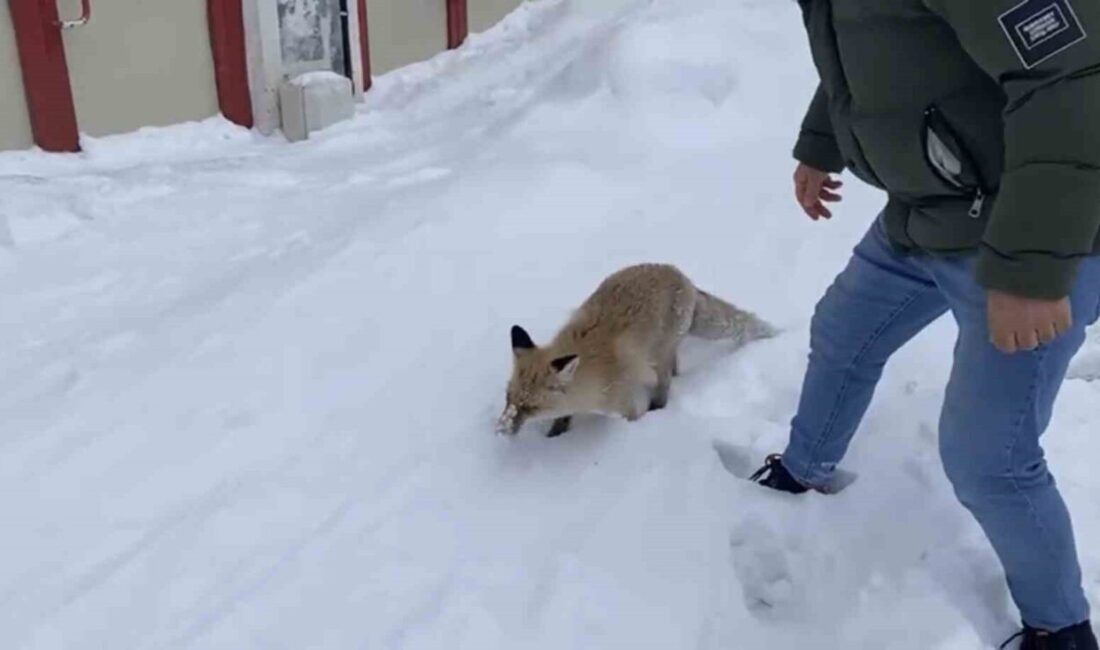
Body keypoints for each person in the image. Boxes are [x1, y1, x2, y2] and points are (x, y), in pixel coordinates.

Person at [748, 0, 1100, 647]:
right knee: (843, 332)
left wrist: (1032, 266)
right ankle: (802, 471)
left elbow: (1070, 78)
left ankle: (1062, 629)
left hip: (1034, 232)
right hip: (928, 215)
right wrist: (823, 143)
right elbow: (868, 47)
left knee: (989, 457)